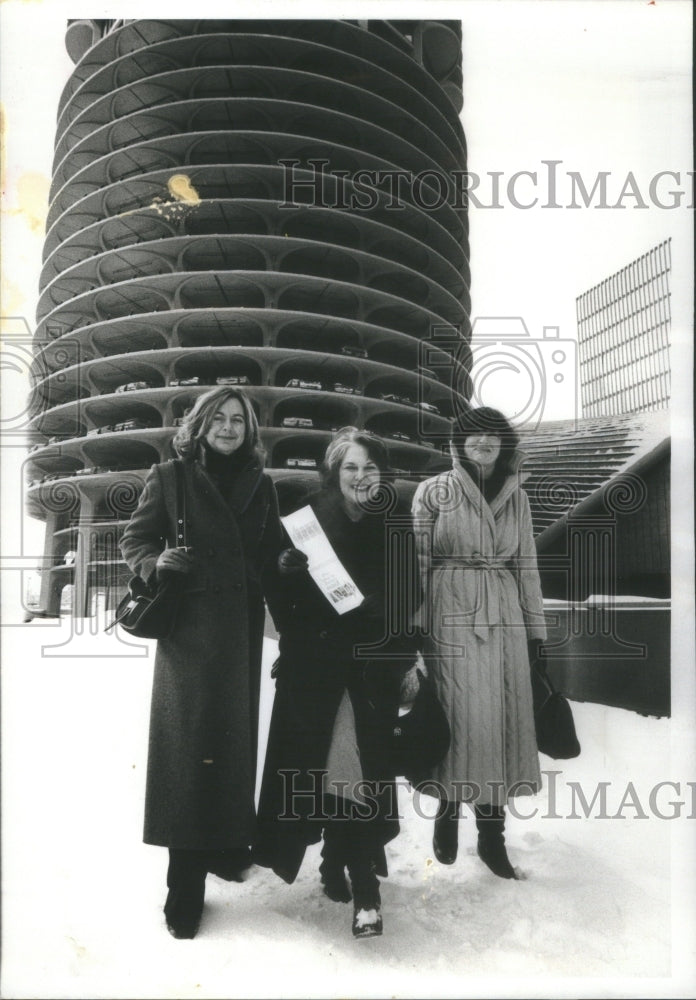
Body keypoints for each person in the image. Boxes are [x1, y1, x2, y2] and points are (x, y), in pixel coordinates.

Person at [120, 386, 283, 938]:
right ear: (200, 422)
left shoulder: (263, 486)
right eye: (220, 417)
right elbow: (135, 539)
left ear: (250, 431)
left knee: (230, 746)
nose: (230, 427)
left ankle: (222, 847)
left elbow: (267, 551)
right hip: (188, 638)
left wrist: (282, 559)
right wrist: (153, 561)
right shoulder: (169, 476)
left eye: (240, 420)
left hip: (239, 633)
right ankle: (183, 886)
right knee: (188, 756)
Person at [256, 428, 420, 938]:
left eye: (370, 468)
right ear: (334, 472)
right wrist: (286, 572)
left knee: (353, 767)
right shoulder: (304, 520)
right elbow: (279, 595)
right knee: (342, 765)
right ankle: (358, 879)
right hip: (319, 664)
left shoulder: (393, 521)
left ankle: (346, 869)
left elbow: (410, 589)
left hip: (371, 665)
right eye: (351, 467)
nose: (361, 477)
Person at [411, 406, 546, 879]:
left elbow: (526, 565)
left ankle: (493, 837)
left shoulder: (518, 497)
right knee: (456, 720)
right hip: (448, 617)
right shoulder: (434, 491)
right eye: (474, 434)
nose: (484, 442)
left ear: (504, 444)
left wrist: (535, 634)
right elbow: (418, 564)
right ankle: (447, 813)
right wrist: (415, 630)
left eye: (493, 435)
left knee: (501, 724)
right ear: (459, 443)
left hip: (504, 617)